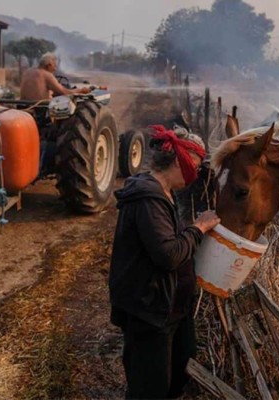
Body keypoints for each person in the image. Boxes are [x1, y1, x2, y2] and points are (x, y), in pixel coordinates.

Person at [109, 125, 220, 399]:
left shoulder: (164, 194)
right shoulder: (149, 199)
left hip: (169, 307)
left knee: (178, 372)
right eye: (192, 166)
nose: (194, 175)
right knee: (150, 387)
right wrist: (199, 229)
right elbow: (168, 255)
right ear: (177, 162)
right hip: (150, 310)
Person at [19, 52, 91, 101]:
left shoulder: (27, 72)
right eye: (55, 66)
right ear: (49, 65)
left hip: (23, 106)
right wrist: (81, 90)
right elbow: (65, 92)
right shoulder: (47, 75)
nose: (55, 69)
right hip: (39, 110)